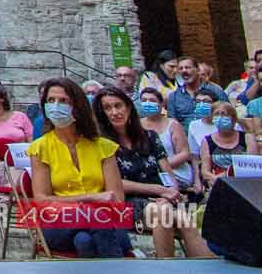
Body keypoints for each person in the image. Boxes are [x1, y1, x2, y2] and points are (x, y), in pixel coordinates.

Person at [28, 76, 133, 257]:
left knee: (84, 241)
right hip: (59, 223)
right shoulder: (40, 148)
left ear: (77, 106)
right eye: (50, 100)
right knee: (94, 223)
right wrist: (91, 198)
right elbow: (42, 200)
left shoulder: (103, 147)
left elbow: (117, 200)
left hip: (106, 220)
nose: (55, 105)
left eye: (63, 101)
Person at [98, 84, 206, 258]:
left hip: (162, 197)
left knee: (183, 219)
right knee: (164, 214)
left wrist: (170, 193)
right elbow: (114, 183)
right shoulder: (101, 144)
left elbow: (166, 171)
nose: (114, 112)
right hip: (129, 202)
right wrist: (159, 191)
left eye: (118, 105)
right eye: (107, 108)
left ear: (128, 107)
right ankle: (166, 268)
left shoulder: (149, 136)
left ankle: (208, 267)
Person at [199, 99, 252, 188]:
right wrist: (215, 179)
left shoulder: (247, 138)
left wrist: (226, 175)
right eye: (216, 114)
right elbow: (205, 172)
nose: (220, 117)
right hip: (218, 184)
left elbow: (253, 167)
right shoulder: (207, 141)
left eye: (224, 114)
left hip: (244, 184)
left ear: (233, 118)